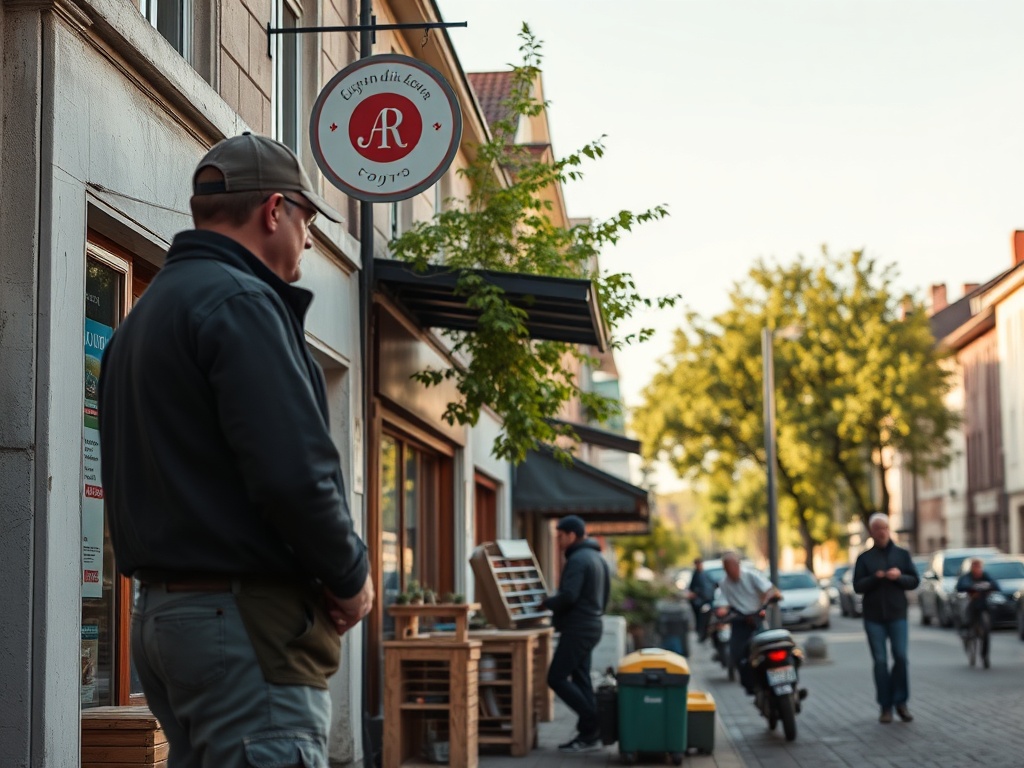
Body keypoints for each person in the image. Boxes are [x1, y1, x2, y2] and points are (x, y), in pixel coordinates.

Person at [98, 133, 374, 767]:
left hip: (163, 617)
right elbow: (294, 475)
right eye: (307, 220)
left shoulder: (141, 319)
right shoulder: (242, 302)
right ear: (274, 210)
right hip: (244, 624)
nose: (309, 240)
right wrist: (351, 576)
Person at [542, 515, 611, 753]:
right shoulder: (597, 558)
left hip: (578, 628)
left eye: (560, 536)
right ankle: (589, 735)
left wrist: (546, 603)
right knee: (581, 679)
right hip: (592, 625)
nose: (558, 541)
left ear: (572, 535)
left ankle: (593, 721)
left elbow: (569, 596)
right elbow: (605, 596)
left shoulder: (578, 559)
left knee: (556, 678)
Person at [853, 513, 918, 724]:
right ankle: (885, 706)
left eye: (884, 528)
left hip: (897, 614)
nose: (881, 532)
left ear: (889, 530)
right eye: (877, 529)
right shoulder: (864, 558)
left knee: (900, 657)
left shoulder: (902, 555)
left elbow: (914, 581)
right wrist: (875, 578)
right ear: (872, 532)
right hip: (873, 617)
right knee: (880, 661)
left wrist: (899, 577)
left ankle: (901, 703)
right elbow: (857, 586)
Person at [716, 552, 780, 694]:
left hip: (757, 618)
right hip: (739, 621)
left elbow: (769, 590)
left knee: (767, 649)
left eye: (732, 567)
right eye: (727, 569)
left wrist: (768, 599)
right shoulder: (724, 583)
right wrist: (721, 611)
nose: (731, 571)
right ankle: (751, 685)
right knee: (737, 653)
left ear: (738, 565)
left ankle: (774, 679)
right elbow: (723, 602)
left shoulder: (751, 576)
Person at [955, 558, 1001, 668]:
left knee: (986, 631)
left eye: (978, 567)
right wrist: (971, 588)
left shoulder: (985, 575)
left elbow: (996, 585)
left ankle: (984, 656)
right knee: (967, 619)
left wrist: (989, 587)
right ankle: (967, 631)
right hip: (972, 603)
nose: (977, 569)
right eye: (975, 566)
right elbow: (960, 586)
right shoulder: (967, 577)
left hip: (983, 605)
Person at [687, 557, 717, 642]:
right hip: (699, 602)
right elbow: (693, 588)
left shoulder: (705, 574)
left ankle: (704, 634)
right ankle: (701, 635)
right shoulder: (696, 575)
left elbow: (713, 584)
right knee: (700, 620)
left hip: (707, 600)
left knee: (706, 620)